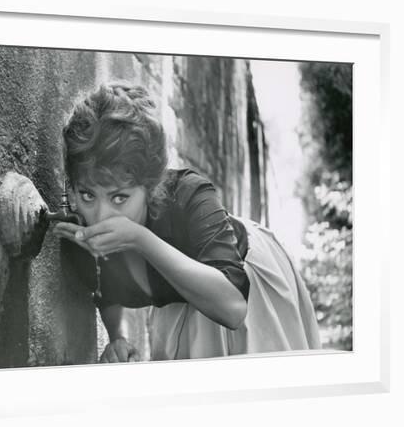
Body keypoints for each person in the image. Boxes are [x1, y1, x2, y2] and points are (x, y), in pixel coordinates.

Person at [52, 81, 321, 362]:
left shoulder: (189, 194)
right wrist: (117, 337)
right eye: (87, 195)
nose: (100, 216)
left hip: (242, 289)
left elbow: (233, 309)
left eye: (119, 198)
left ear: (150, 187)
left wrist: (139, 239)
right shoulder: (79, 230)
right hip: (181, 308)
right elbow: (106, 288)